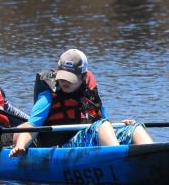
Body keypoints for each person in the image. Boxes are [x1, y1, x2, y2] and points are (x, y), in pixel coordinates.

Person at [8, 49, 154, 156]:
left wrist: (121, 125)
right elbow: (33, 125)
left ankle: (154, 157)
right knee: (101, 126)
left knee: (135, 128)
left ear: (83, 77)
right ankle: (119, 159)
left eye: (70, 78)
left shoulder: (90, 94)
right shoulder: (48, 96)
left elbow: (104, 121)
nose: (64, 81)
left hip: (87, 142)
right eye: (62, 76)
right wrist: (20, 146)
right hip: (62, 148)